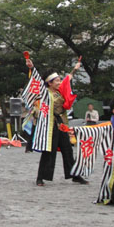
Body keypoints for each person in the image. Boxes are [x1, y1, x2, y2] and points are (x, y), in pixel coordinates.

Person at [30, 55, 87, 186]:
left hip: (61, 122)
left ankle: (75, 175)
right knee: (49, 150)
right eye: (56, 81)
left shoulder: (60, 91)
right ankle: (40, 177)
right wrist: (31, 68)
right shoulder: (45, 93)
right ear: (49, 83)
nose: (59, 82)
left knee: (68, 149)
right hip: (50, 123)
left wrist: (75, 69)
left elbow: (68, 79)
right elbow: (37, 81)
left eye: (59, 80)